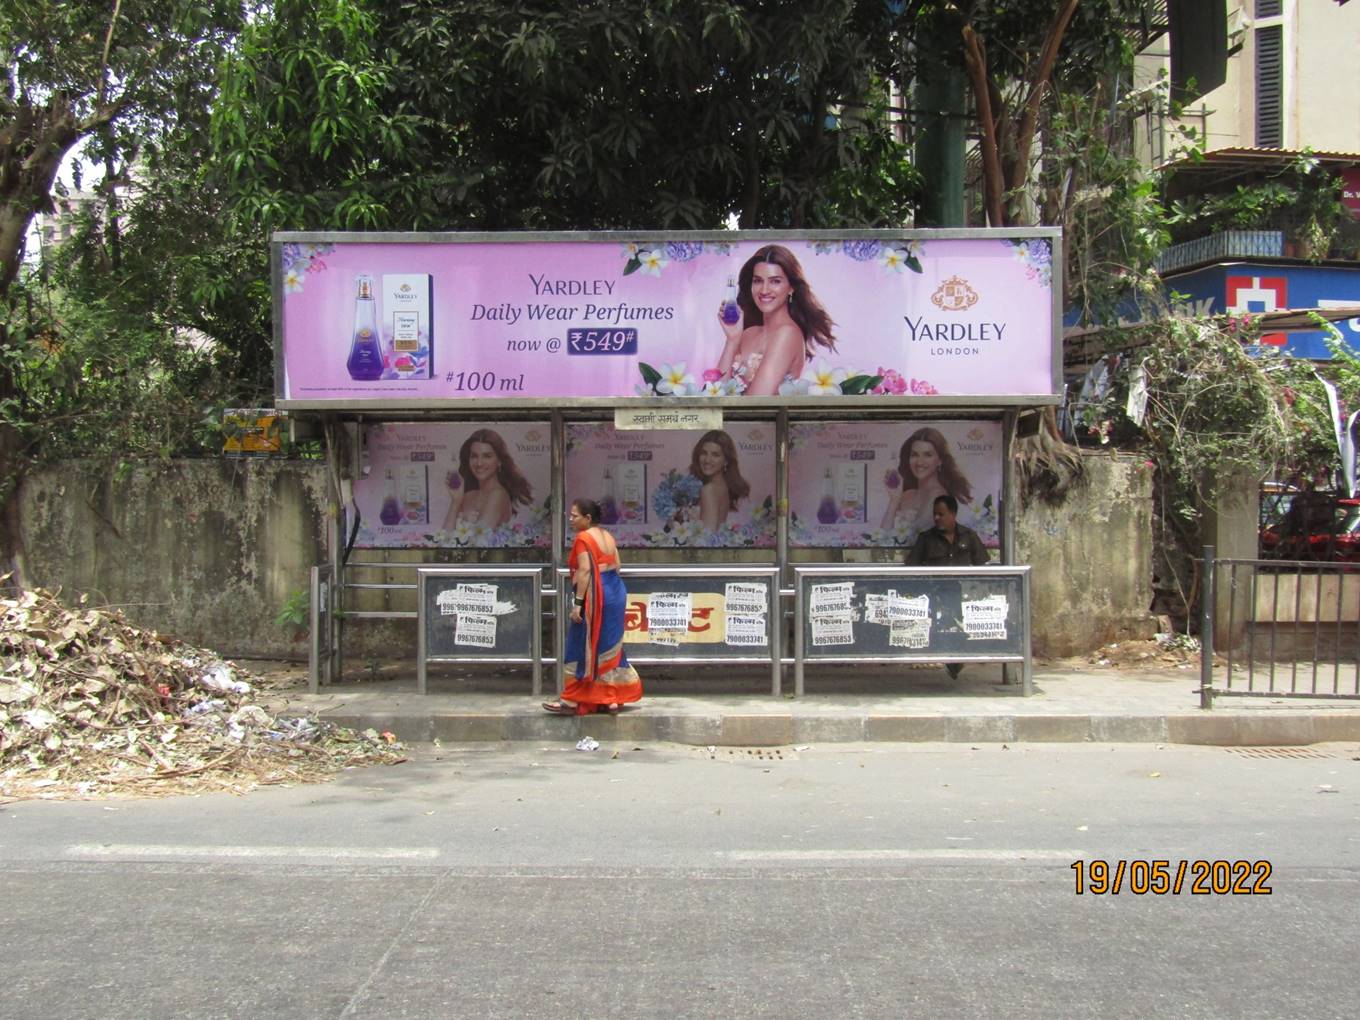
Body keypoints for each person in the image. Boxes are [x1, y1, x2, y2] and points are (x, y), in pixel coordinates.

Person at [543, 499, 644, 715]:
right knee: (609, 647)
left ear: (588, 518)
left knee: (580, 645)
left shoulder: (583, 538)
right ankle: (611, 699)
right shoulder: (607, 536)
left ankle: (570, 700)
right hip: (615, 591)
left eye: (574, 516)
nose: (570, 519)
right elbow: (617, 565)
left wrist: (578, 604)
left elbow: (585, 571)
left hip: (596, 595)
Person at [714, 244, 836, 396]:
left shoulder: (788, 334)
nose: (764, 290)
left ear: (791, 287)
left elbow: (755, 404)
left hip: (765, 420)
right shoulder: (749, 333)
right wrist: (732, 340)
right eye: (758, 281)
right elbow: (715, 394)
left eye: (775, 281)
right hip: (733, 419)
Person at [905, 494, 990, 679]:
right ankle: (951, 659)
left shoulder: (969, 536)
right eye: (935, 514)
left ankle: (956, 660)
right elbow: (911, 568)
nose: (936, 518)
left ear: (953, 514)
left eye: (941, 514)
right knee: (943, 630)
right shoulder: (926, 539)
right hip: (936, 597)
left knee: (962, 632)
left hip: (964, 597)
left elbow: (983, 566)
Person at [881, 427, 974, 536]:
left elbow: (918, 539)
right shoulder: (907, 495)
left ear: (940, 460)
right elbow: (883, 538)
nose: (919, 462)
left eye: (928, 455)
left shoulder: (940, 498)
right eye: (915, 455)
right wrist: (894, 499)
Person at [441, 428, 533, 531]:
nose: (479, 463)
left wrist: (464, 520)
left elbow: (479, 542)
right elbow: (444, 540)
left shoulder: (498, 495)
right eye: (474, 456)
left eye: (487, 456)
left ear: (499, 461)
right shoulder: (467, 496)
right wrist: (456, 501)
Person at [689, 430, 751, 532]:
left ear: (726, 460)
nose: (707, 460)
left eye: (715, 455)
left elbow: (707, 539)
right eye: (704, 453)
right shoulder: (723, 486)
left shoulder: (709, 489)